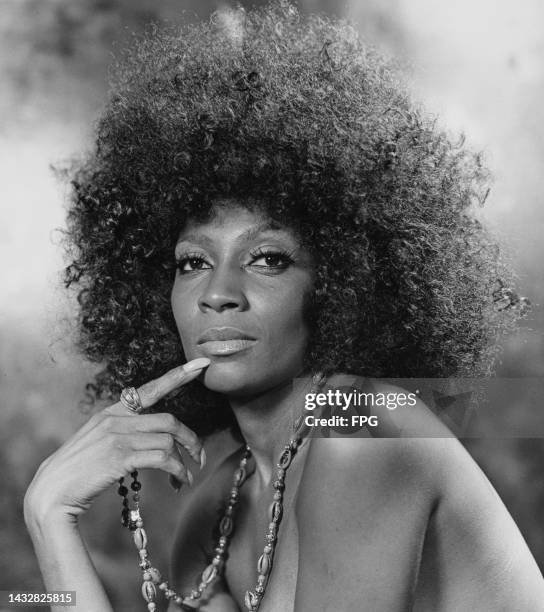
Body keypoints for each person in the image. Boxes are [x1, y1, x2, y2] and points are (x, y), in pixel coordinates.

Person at [24, 1, 544, 611]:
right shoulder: (216, 511)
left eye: (267, 258)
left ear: (343, 281)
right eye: (192, 262)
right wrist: (48, 514)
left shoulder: (363, 431)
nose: (218, 293)